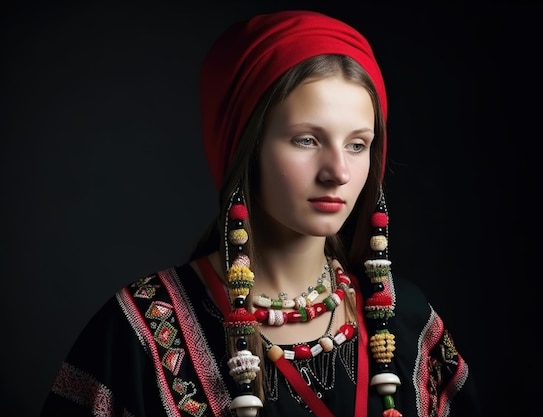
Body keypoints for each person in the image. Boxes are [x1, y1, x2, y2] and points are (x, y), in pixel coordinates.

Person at [40, 9, 483, 417]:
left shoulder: (406, 320)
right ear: (245, 149)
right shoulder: (142, 330)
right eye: (306, 139)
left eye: (357, 144)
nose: (338, 172)